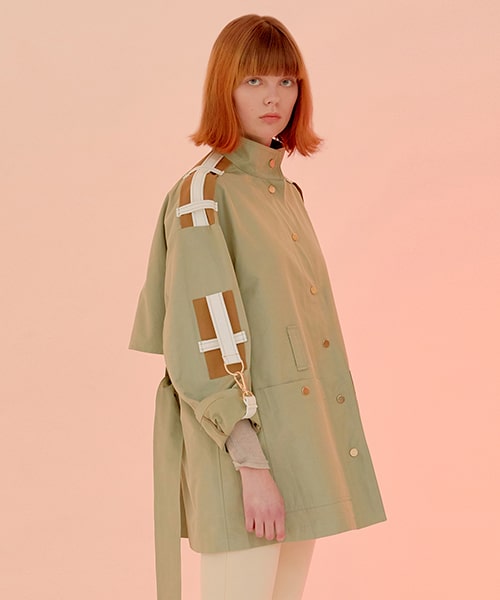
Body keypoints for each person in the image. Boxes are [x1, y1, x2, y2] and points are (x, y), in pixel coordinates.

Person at [129, 14, 386, 600]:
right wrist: (251, 466)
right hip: (244, 464)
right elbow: (201, 344)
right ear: (224, 87)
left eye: (286, 81)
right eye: (254, 81)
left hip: (301, 446)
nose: (274, 98)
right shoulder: (203, 197)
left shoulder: (284, 193)